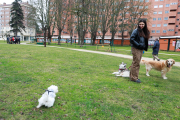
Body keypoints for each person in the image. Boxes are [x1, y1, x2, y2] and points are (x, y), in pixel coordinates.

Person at [130, 19, 150, 83]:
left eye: (143, 24)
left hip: (141, 49)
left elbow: (145, 40)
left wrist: (144, 47)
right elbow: (132, 39)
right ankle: (134, 78)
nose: (141, 25)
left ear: (145, 24)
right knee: (136, 63)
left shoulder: (145, 31)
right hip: (136, 48)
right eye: (140, 24)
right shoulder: (136, 31)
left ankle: (133, 76)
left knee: (135, 62)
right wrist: (138, 45)